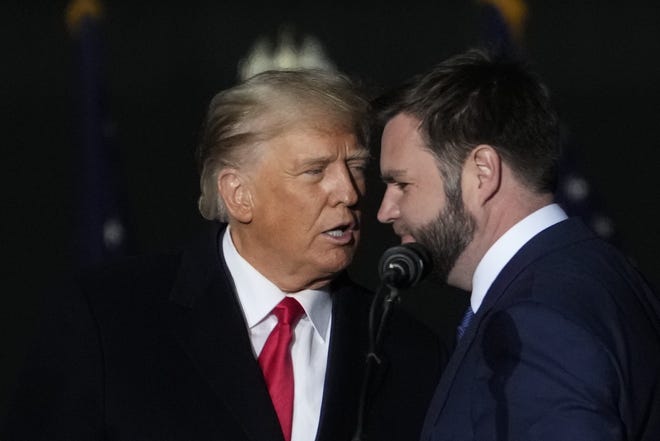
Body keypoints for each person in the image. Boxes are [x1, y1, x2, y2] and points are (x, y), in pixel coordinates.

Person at [3, 69, 442, 441]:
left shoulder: (410, 352)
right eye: (315, 171)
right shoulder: (107, 318)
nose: (349, 193)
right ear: (238, 194)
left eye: (357, 168)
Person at [374, 47, 660, 441]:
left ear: (483, 172)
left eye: (401, 183)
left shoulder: (539, 318)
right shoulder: (594, 274)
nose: (385, 210)